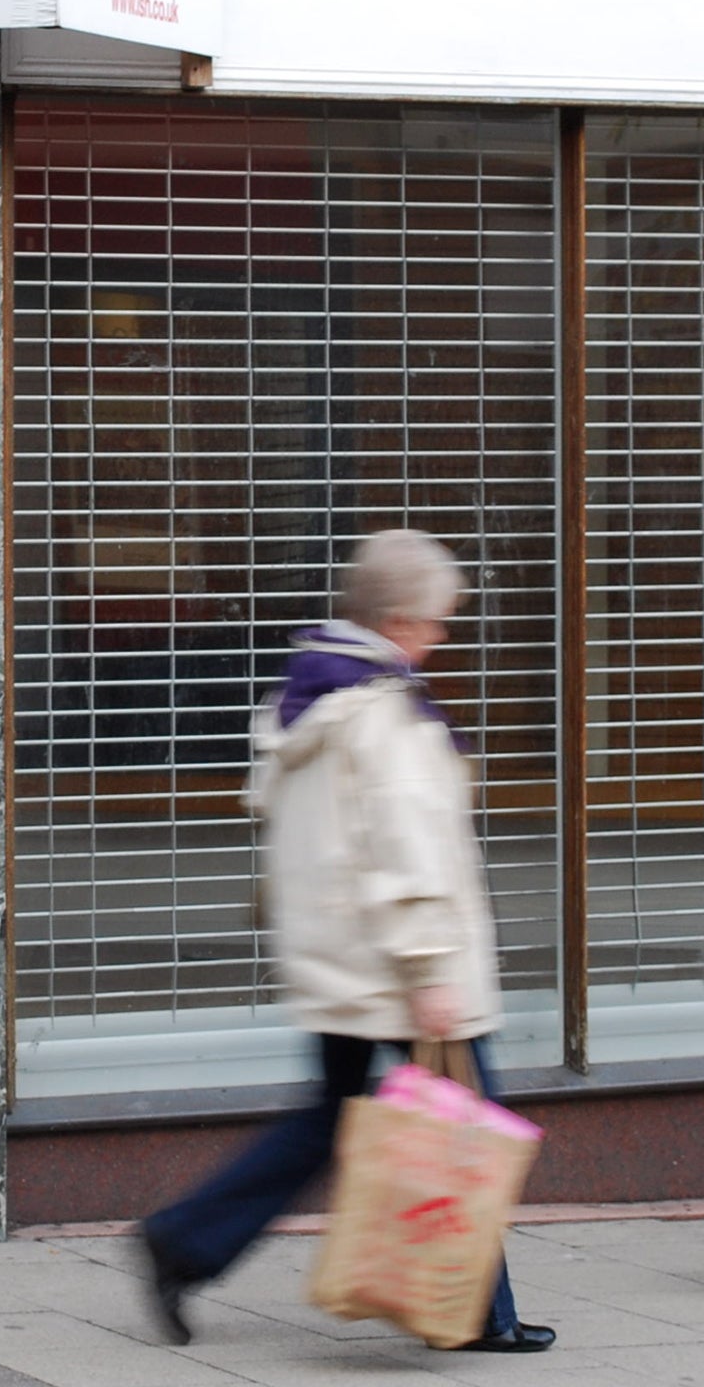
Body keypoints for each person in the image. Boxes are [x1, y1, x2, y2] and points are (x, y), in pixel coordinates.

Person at [137, 529, 556, 1356]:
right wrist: (431, 969)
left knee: (338, 1119)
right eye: (438, 622)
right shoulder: (383, 714)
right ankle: (475, 1313)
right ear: (401, 621)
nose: (442, 637)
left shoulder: (308, 697)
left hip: (340, 964)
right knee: (463, 1124)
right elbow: (410, 856)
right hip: (398, 969)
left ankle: (184, 1242)